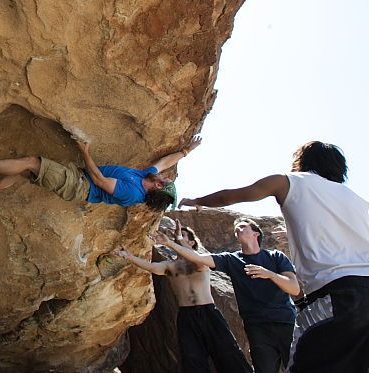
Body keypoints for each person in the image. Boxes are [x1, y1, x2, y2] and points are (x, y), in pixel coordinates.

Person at [178, 141, 369, 372]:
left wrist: (198, 201)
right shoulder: (358, 201)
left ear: (303, 161)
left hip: (339, 297)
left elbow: (238, 194)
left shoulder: (290, 182)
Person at [160, 217, 299, 372]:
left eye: (243, 226)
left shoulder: (276, 257)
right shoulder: (231, 259)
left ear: (256, 234)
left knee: (299, 366)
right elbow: (198, 259)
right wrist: (173, 242)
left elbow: (294, 289)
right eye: (236, 228)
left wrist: (270, 274)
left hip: (286, 322)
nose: (238, 229)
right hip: (257, 328)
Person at [118, 221, 253, 373]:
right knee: (192, 357)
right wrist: (129, 256)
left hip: (209, 312)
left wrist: (175, 241)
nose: (178, 238)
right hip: (186, 315)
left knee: (228, 352)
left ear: (192, 242)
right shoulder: (171, 266)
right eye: (177, 236)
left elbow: (195, 258)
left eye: (183, 236)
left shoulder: (200, 262)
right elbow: (152, 267)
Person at [0, 136, 201, 208]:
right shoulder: (144, 177)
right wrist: (185, 151)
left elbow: (99, 179)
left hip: (78, 185)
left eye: (164, 179)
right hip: (78, 180)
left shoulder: (132, 193)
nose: (163, 174)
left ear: (158, 186)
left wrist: (85, 151)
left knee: (32, 162)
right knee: (23, 172)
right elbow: (163, 162)